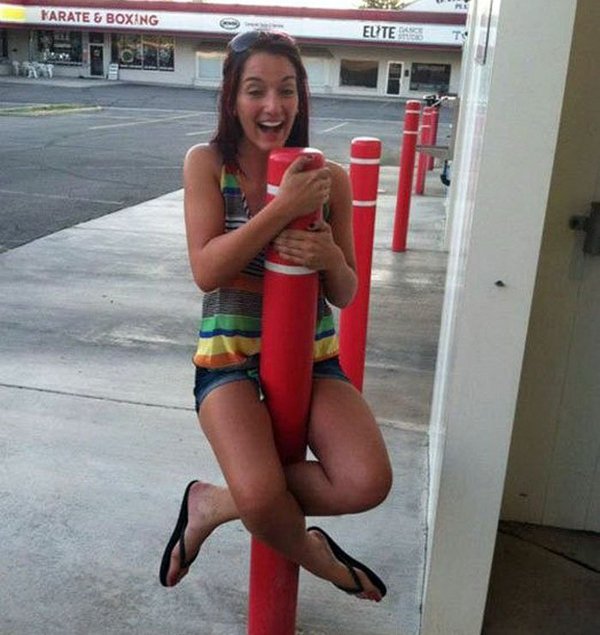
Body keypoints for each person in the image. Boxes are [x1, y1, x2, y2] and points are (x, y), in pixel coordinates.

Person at [159, 30, 392, 603]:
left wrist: (331, 256)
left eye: (286, 90)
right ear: (232, 99)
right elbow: (207, 270)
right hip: (228, 361)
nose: (272, 106)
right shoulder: (207, 163)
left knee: (366, 481)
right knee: (261, 498)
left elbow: (346, 291)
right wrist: (282, 209)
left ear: (301, 96)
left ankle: (211, 502)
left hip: (313, 359)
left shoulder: (330, 178)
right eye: (255, 90)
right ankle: (323, 562)